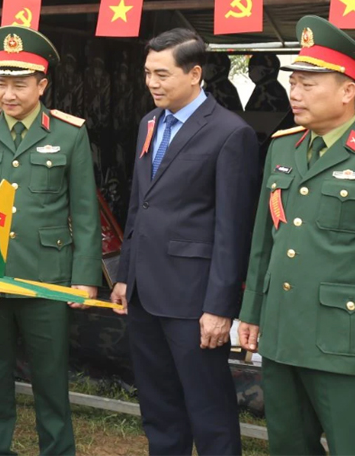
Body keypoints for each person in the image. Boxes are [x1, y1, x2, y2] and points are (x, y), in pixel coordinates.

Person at [237, 15, 355, 455]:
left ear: (347, 91)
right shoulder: (283, 147)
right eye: (293, 82)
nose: (295, 93)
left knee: (352, 447)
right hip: (282, 335)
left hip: (344, 343)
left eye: (308, 84)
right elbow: (264, 242)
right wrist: (252, 313)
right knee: (288, 445)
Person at [0, 25, 100, 455]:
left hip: (46, 276)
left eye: (20, 84)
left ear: (42, 85)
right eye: (0, 83)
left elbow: (85, 213)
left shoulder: (69, 133)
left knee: (50, 377)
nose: (8, 94)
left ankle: (58, 450)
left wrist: (85, 277)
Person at [109, 28, 259, 455]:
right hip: (144, 291)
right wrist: (125, 274)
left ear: (194, 74)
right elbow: (140, 205)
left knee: (208, 407)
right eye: (147, 73)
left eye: (162, 74)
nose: (152, 83)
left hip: (193, 298)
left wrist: (220, 308)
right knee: (159, 406)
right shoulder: (149, 123)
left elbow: (233, 229)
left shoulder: (230, 132)